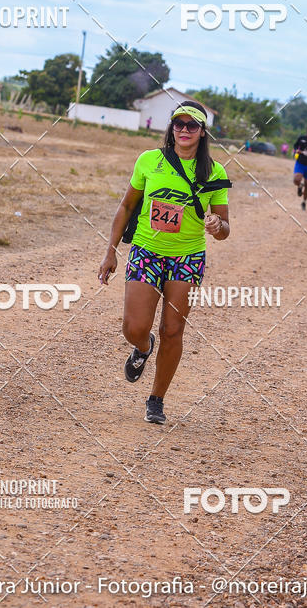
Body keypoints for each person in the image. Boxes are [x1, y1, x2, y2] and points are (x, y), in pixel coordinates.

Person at [98, 101, 230, 424]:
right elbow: (126, 207)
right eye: (178, 124)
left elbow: (225, 229)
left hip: (187, 257)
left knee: (173, 330)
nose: (184, 130)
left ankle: (156, 399)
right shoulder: (149, 161)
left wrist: (217, 227)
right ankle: (143, 349)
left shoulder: (214, 172)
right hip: (146, 251)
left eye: (192, 125)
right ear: (171, 128)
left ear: (202, 132)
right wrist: (110, 251)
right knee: (134, 327)